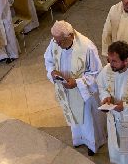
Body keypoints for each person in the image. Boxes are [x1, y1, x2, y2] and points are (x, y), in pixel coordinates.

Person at [45, 21, 105, 155]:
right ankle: (78, 139)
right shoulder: (56, 41)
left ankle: (92, 144)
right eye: (55, 40)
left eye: (60, 41)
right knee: (75, 119)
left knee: (88, 121)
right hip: (66, 89)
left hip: (84, 93)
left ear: (70, 36)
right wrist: (52, 72)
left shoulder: (87, 47)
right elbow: (48, 60)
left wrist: (77, 82)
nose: (57, 44)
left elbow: (96, 73)